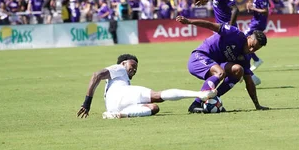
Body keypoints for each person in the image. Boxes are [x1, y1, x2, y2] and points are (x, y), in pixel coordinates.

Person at [77, 54, 218, 119]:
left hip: (113, 107)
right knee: (158, 95)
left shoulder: (119, 78)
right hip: (121, 94)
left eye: (136, 68)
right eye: (132, 65)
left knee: (153, 108)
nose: (134, 70)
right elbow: (96, 75)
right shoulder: (118, 68)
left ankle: (118, 115)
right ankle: (200, 94)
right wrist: (87, 103)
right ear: (123, 63)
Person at [175, 16, 269, 113]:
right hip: (199, 57)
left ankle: (213, 99)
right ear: (248, 37)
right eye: (251, 46)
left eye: (255, 49)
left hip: (215, 64)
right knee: (220, 72)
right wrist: (189, 21)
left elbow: (249, 82)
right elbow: (210, 25)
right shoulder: (234, 33)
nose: (251, 50)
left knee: (238, 70)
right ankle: (196, 104)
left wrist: (257, 105)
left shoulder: (245, 58)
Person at [245, 0, 268, 73]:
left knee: (245, 39)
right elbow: (255, 9)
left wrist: (253, 8)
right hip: (255, 21)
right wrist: (250, 8)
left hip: (258, 23)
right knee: (246, 41)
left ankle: (255, 60)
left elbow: (265, 11)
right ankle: (255, 60)